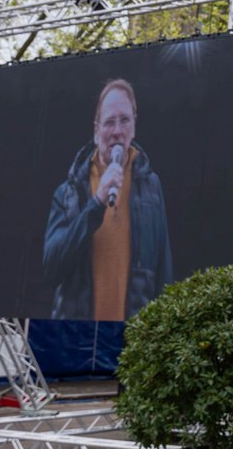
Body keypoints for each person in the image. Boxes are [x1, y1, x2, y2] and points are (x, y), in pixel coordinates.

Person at [43, 78, 172, 321]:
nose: (117, 131)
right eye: (110, 122)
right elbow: (52, 269)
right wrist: (96, 202)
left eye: (124, 120)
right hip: (76, 335)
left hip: (131, 334)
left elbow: (163, 271)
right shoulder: (68, 192)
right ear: (96, 131)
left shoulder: (150, 186)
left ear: (133, 126)